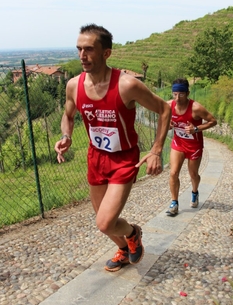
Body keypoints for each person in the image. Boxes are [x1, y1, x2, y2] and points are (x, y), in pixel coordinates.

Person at [54, 24, 171, 271]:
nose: (82, 56)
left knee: (106, 223)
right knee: (102, 220)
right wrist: (66, 135)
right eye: (79, 49)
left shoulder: (126, 85)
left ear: (106, 53)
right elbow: (68, 114)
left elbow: (164, 109)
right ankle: (124, 249)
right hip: (96, 157)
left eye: (89, 49)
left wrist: (157, 149)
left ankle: (132, 233)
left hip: (124, 159)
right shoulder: (74, 85)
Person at [166, 78, 217, 216]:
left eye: (181, 94)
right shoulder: (169, 105)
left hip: (194, 146)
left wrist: (196, 128)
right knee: (173, 173)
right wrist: (168, 124)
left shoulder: (196, 108)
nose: (177, 97)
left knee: (193, 174)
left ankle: (195, 192)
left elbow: (213, 121)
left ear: (187, 93)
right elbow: (163, 117)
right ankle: (174, 203)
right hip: (178, 144)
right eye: (175, 94)